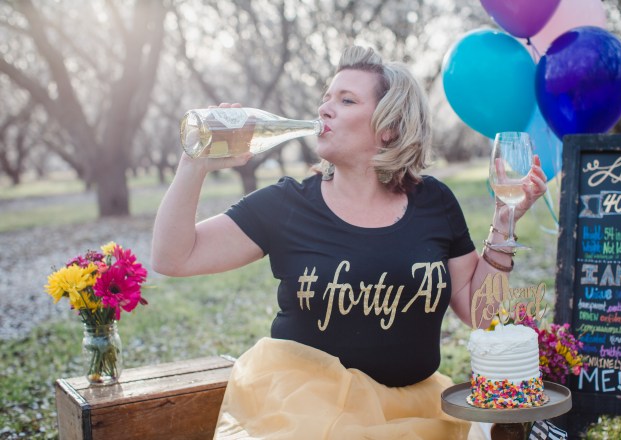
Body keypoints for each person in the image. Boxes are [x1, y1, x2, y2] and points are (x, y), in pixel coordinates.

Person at [151, 46, 547, 439]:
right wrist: (193, 164)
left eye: (346, 100)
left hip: (414, 413)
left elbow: (480, 313)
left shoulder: (435, 202)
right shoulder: (286, 204)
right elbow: (173, 257)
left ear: (389, 126)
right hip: (305, 413)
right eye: (326, 98)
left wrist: (504, 222)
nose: (324, 109)